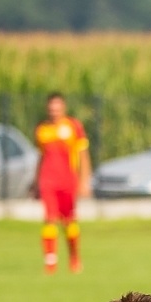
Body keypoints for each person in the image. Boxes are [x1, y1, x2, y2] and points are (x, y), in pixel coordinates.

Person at [34, 92, 92, 274]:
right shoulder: (42, 129)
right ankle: (50, 263)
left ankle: (74, 258)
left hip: (68, 181)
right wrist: (37, 181)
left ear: (63, 108)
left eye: (57, 107)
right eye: (51, 108)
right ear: (47, 109)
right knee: (50, 220)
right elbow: (41, 157)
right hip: (48, 180)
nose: (54, 111)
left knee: (69, 222)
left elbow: (83, 156)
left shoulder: (74, 126)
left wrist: (85, 180)